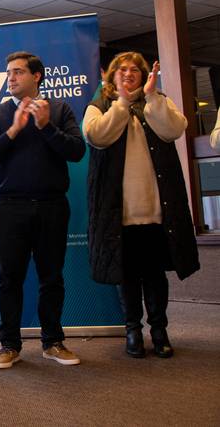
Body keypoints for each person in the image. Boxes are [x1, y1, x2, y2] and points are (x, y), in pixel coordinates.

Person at [83, 52, 199, 358]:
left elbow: (174, 129)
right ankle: (133, 330)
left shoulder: (156, 100)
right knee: (128, 275)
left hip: (157, 210)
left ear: (145, 75)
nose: (129, 74)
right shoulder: (100, 105)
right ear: (111, 76)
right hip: (120, 212)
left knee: (155, 274)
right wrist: (122, 102)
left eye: (135, 70)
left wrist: (151, 98)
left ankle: (159, 330)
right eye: (122, 70)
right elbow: (96, 136)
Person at [0, 51, 85, 369]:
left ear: (36, 76)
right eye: (8, 72)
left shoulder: (60, 109)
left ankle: (53, 342)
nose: (10, 78)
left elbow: (77, 151)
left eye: (18, 72)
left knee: (51, 278)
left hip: (52, 206)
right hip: (10, 208)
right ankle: (9, 345)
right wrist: (13, 130)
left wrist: (45, 126)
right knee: (8, 278)